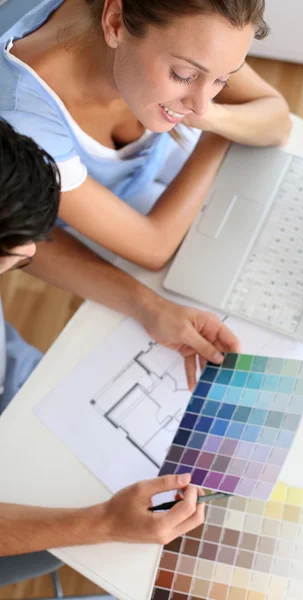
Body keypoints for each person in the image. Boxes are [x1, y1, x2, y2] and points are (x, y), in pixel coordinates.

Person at [0, 119, 210, 562]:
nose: (31, 257)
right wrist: (104, 523)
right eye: (16, 261)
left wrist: (150, 307)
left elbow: (33, 248)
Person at [0, 0, 291, 272]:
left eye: (222, 80)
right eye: (182, 74)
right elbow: (153, 247)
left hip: (148, 163)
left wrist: (217, 119)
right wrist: (223, 130)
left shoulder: (194, 29)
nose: (201, 105)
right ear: (114, 23)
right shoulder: (25, 122)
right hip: (87, 214)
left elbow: (278, 119)